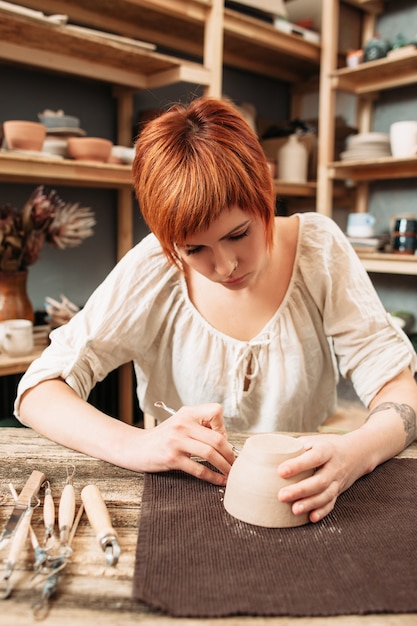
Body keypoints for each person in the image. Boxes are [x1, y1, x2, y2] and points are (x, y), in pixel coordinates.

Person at [16, 97, 417, 524]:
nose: (225, 266)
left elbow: (398, 387)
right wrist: (137, 444)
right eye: (195, 249)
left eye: (238, 233)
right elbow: (38, 391)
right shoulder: (156, 265)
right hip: (176, 500)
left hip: (296, 499)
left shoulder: (319, 250)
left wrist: (355, 453)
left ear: (266, 190)